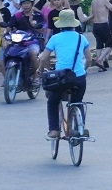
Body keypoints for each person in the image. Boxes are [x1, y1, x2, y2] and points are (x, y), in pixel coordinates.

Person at [39, 9, 92, 140]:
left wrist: (39, 70)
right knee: (77, 101)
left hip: (61, 78)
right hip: (79, 77)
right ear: (74, 24)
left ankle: (54, 131)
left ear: (60, 25)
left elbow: (43, 57)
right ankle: (79, 127)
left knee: (53, 101)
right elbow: (89, 59)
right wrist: (84, 71)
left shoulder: (55, 38)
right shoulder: (81, 38)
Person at [6, 0, 44, 81]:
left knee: (33, 54)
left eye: (28, 3)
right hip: (19, 41)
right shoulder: (17, 15)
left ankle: (37, 75)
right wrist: (5, 33)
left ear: (32, 4)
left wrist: (33, 24)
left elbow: (42, 30)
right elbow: (9, 26)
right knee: (7, 52)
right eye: (24, 3)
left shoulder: (38, 15)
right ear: (21, 4)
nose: (26, 5)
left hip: (33, 40)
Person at [89, 0, 112, 71]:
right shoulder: (104, 0)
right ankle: (100, 59)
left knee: (99, 45)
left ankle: (100, 66)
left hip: (95, 25)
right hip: (103, 24)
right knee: (109, 44)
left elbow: (91, 14)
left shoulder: (93, 1)